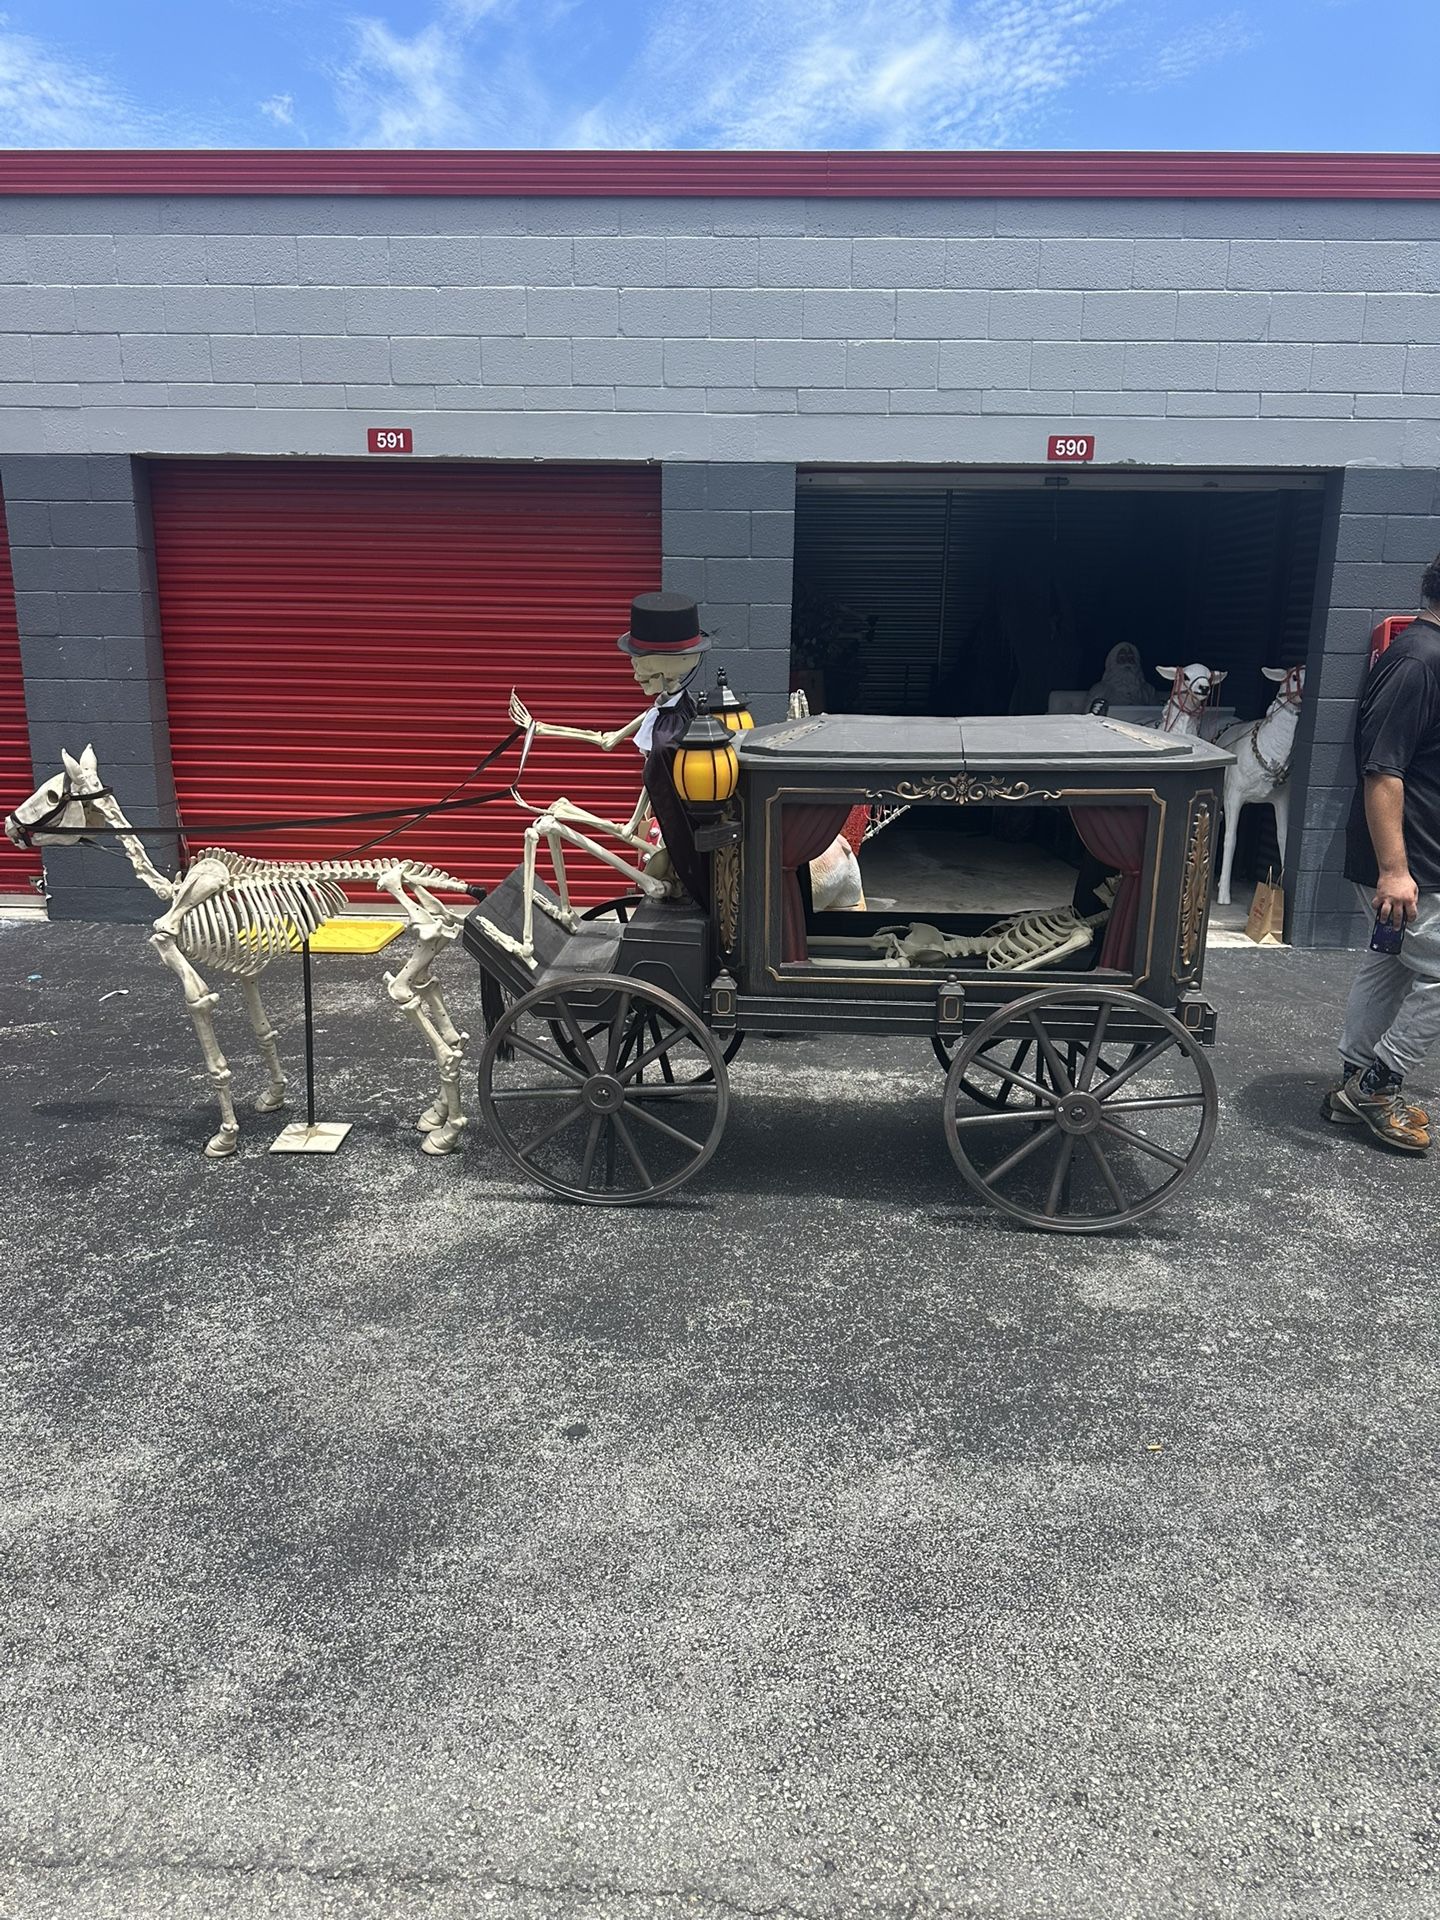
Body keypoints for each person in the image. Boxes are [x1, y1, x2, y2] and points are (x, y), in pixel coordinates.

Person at [1327, 553, 1440, 1152]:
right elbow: (1382, 771)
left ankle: (1353, 1080)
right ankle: (1376, 1086)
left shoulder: (1424, 656)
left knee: (1391, 965)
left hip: (1414, 860)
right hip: (1412, 864)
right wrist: (1395, 870)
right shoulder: (1420, 660)